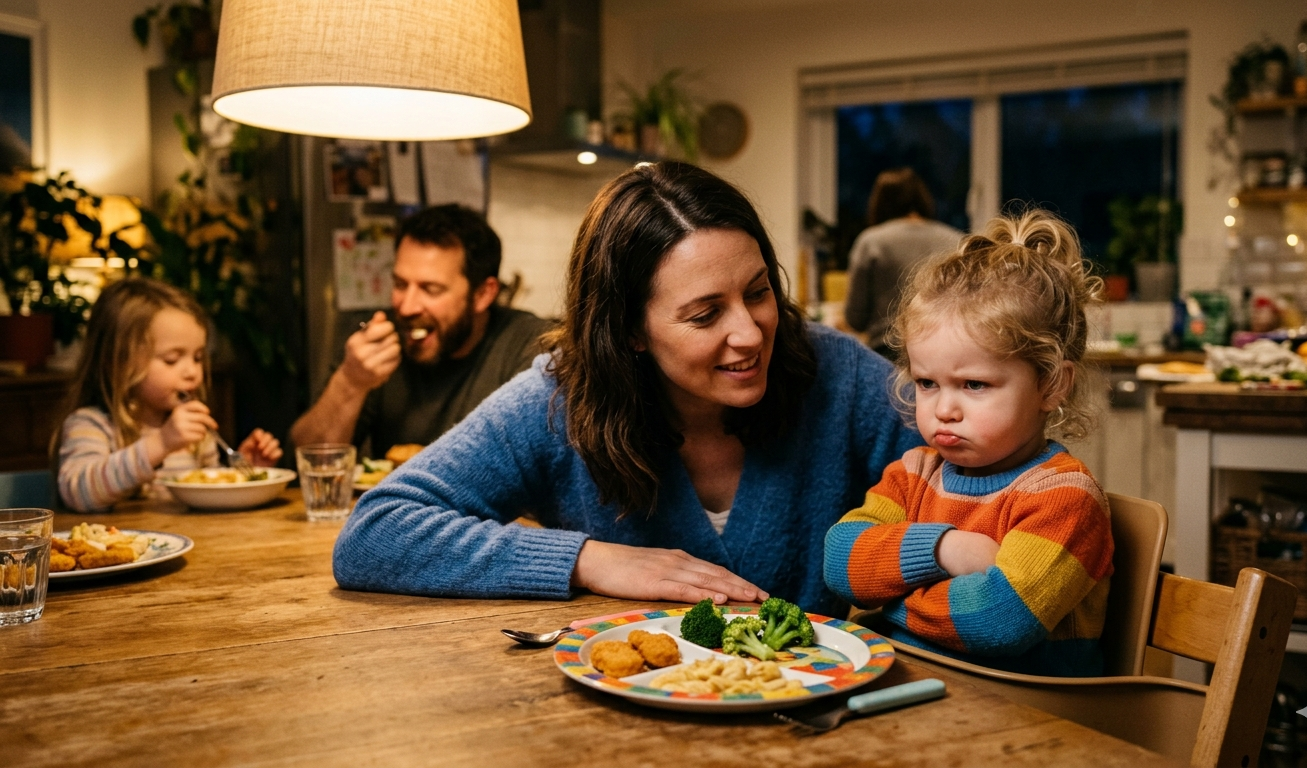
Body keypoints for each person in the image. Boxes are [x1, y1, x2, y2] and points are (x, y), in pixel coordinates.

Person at [332, 161, 922, 616]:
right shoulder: (556, 399)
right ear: (630, 329)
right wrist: (587, 560)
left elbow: (989, 489)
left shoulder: (837, 372)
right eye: (704, 314)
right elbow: (375, 530)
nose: (749, 333)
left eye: (759, 291)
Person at [823, 210, 1114, 677]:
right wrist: (945, 550)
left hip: (1033, 717)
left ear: (1051, 385)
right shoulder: (916, 471)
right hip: (929, 691)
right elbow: (839, 559)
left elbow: (996, 621)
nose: (944, 409)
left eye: (974, 385)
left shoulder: (1065, 498)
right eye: (927, 383)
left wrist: (884, 604)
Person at [290, 204, 549, 457]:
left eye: (431, 289)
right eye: (400, 284)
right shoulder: (376, 344)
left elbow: (539, 469)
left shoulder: (531, 347)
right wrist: (350, 382)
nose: (407, 307)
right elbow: (304, 463)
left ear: (483, 294)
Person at [56, 278, 282, 513]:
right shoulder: (91, 425)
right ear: (119, 363)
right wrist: (161, 443)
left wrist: (243, 474)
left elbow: (205, 498)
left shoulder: (195, 434)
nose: (193, 372)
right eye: (172, 360)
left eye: (197, 357)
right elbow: (79, 493)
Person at [844, 168, 963, 357]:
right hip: (947, 351)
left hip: (886, 354)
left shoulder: (871, 242)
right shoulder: (955, 240)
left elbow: (855, 318)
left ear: (879, 202)